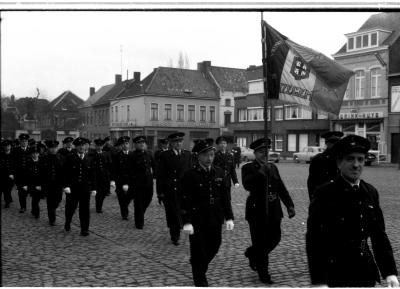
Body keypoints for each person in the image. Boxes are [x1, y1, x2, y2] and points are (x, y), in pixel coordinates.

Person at [306, 134, 399, 287]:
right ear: (339, 163)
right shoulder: (325, 193)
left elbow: (379, 236)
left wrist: (390, 273)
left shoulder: (370, 192)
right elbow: (314, 239)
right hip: (335, 272)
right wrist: (319, 281)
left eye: (360, 159)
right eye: (350, 159)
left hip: (365, 271)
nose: (356, 165)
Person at [241, 138, 295, 284]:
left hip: (274, 209)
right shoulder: (248, 168)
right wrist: (260, 173)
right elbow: (247, 185)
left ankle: (253, 254)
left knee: (275, 238)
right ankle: (263, 273)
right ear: (255, 153)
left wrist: (289, 205)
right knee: (260, 241)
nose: (264, 154)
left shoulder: (273, 167)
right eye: (261, 152)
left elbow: (280, 187)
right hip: (257, 211)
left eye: (266, 151)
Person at [182, 139, 234, 287]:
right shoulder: (190, 175)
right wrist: (186, 221)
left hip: (215, 217)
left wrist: (229, 217)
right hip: (197, 218)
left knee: (215, 245)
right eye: (206, 155)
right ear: (198, 156)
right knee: (198, 249)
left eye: (211, 155)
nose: (209, 158)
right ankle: (200, 279)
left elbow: (225, 197)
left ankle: (197, 265)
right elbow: (184, 200)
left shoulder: (218, 172)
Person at [157, 132, 192, 245]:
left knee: (185, 210)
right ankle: (175, 235)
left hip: (184, 189)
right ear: (171, 143)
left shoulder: (187, 154)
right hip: (170, 189)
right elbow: (160, 175)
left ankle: (185, 226)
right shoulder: (165, 155)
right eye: (176, 142)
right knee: (172, 213)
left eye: (180, 141)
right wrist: (160, 192)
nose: (178, 144)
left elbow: (191, 172)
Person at [63, 137, 96, 236]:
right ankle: (68, 221)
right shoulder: (70, 158)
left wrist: (94, 188)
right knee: (70, 208)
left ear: (85, 146)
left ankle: (84, 229)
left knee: (85, 210)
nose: (81, 147)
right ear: (76, 147)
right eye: (79, 146)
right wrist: (66, 186)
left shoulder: (89, 158)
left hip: (85, 189)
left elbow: (93, 175)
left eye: (83, 145)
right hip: (73, 189)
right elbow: (65, 173)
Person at [307, 131, 343, 201]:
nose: (335, 145)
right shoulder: (318, 160)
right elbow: (311, 183)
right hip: (323, 200)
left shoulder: (344, 158)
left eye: (337, 143)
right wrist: (314, 201)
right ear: (327, 143)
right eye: (332, 142)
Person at [131, 136, 156, 229]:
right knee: (138, 203)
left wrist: (155, 176)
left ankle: (140, 213)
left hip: (148, 183)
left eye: (143, 143)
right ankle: (139, 223)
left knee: (148, 200)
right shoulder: (132, 155)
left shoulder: (149, 154)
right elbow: (129, 170)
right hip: (137, 184)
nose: (142, 144)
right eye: (139, 143)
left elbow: (154, 166)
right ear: (135, 145)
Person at [41, 140, 64, 225]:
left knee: (58, 200)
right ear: (48, 148)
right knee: (50, 202)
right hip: (48, 184)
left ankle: (53, 209)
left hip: (58, 184)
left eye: (55, 148)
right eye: (51, 148)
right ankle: (52, 219)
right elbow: (41, 172)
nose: (53, 149)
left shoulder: (61, 157)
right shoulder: (44, 158)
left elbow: (64, 171)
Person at [111, 136, 133, 220]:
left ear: (129, 144)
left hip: (130, 180)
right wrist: (113, 180)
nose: (125, 145)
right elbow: (114, 168)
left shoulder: (132, 154)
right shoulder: (117, 155)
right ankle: (124, 214)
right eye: (123, 144)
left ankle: (125, 206)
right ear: (121, 146)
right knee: (121, 198)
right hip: (120, 180)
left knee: (129, 197)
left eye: (126, 143)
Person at [90, 138, 113, 214]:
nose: (99, 147)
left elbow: (110, 166)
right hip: (96, 177)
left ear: (102, 146)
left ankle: (99, 204)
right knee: (98, 193)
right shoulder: (92, 154)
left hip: (105, 177)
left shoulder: (106, 154)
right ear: (95, 146)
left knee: (104, 193)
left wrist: (111, 178)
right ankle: (98, 207)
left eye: (100, 146)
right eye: (98, 146)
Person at [214, 136, 239, 201]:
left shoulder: (230, 156)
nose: (223, 145)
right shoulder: (215, 156)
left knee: (227, 200)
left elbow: (232, 170)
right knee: (218, 200)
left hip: (227, 182)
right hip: (217, 182)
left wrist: (235, 181)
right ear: (218, 145)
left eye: (224, 143)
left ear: (226, 144)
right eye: (221, 143)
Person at [21, 144, 43, 219]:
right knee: (35, 198)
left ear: (39, 154)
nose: (35, 155)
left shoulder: (42, 162)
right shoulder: (27, 162)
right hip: (31, 184)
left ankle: (34, 210)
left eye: (36, 153)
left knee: (36, 199)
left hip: (40, 184)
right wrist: (24, 184)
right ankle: (36, 212)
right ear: (31, 154)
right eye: (33, 153)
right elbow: (24, 175)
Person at [12, 133, 31, 213]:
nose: (24, 142)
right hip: (19, 175)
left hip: (30, 175)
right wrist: (13, 174)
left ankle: (34, 208)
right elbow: (13, 162)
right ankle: (23, 207)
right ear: (20, 142)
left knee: (29, 192)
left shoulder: (31, 150)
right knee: (21, 192)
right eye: (22, 141)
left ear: (27, 142)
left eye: (25, 141)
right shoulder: (16, 150)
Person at [154, 138, 169, 205]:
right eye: (165, 144)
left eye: (167, 144)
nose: (166, 145)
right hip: (160, 172)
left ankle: (166, 197)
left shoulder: (170, 152)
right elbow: (156, 162)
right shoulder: (158, 152)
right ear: (162, 145)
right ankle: (160, 197)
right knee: (160, 185)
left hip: (168, 172)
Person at [0, 140, 15, 208]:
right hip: (2, 175)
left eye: (8, 146)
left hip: (10, 176)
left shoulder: (13, 155)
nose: (7, 147)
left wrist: (13, 174)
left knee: (7, 190)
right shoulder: (1, 154)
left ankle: (7, 202)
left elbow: (16, 166)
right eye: (5, 146)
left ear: (10, 146)